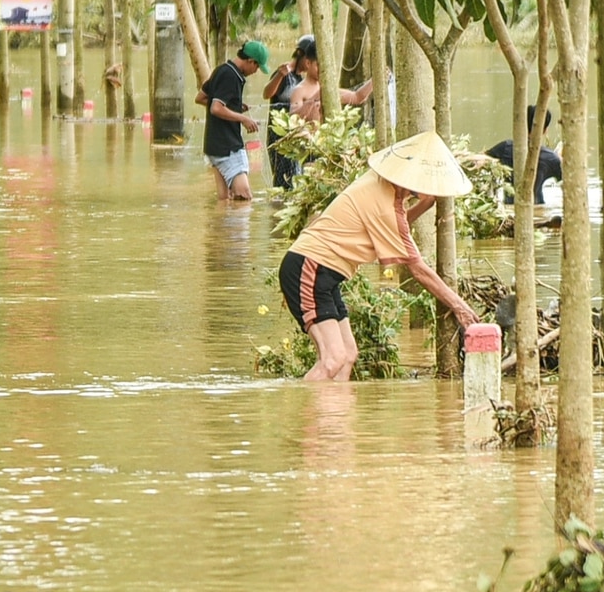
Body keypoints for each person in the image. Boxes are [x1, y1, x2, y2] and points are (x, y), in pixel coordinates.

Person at [279, 130, 480, 381]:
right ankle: (304, 415)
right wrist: (459, 306)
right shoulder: (385, 206)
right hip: (310, 266)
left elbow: (394, 227)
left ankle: (333, 418)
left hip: (325, 273)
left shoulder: (378, 184)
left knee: (347, 355)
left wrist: (426, 204)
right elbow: (417, 268)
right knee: (332, 360)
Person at [197, 40, 269, 201]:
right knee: (244, 197)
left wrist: (233, 107)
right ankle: (237, 227)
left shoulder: (221, 70)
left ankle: (221, 227)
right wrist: (243, 118)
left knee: (225, 200)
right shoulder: (231, 76)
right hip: (227, 146)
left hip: (213, 145)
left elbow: (201, 98)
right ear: (250, 61)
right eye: (257, 67)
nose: (256, 71)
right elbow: (215, 108)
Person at [262, 38, 309, 189]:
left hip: (294, 135)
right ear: (301, 55)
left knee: (295, 178)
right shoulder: (284, 73)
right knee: (283, 180)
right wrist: (279, 76)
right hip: (279, 136)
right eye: (309, 60)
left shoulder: (299, 78)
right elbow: (267, 94)